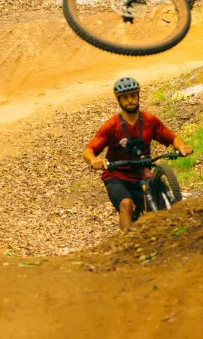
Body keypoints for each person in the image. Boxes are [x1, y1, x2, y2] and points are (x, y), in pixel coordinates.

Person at [82, 77, 193, 233]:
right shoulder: (112, 126)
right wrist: (94, 160)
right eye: (125, 97)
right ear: (118, 100)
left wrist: (182, 147)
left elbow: (172, 138)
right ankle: (127, 241)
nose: (130, 101)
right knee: (126, 204)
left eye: (133, 96)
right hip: (117, 175)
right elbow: (88, 151)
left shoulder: (149, 121)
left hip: (142, 173)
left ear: (138, 96)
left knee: (159, 204)